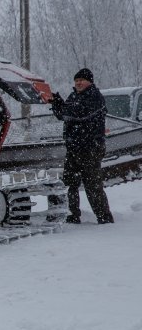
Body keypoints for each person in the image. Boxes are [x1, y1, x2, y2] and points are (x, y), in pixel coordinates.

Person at [50, 68, 114, 224]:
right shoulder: (74, 96)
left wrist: (62, 106)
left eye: (81, 80)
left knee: (92, 184)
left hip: (90, 148)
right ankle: (71, 214)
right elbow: (63, 115)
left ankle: (104, 217)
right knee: (68, 183)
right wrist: (56, 103)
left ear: (89, 82)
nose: (78, 83)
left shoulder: (95, 97)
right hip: (73, 148)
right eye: (76, 80)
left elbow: (78, 113)